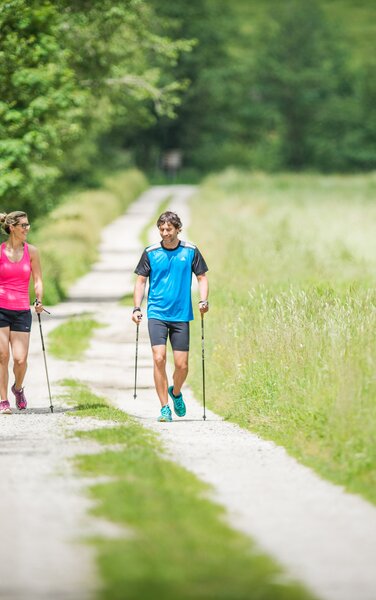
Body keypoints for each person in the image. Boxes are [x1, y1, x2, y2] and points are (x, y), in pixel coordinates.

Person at [132, 211, 209, 422]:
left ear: (178, 229)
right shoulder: (151, 252)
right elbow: (140, 282)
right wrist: (137, 308)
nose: (165, 233)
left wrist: (203, 300)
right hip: (157, 313)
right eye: (162, 229)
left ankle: (176, 392)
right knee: (159, 358)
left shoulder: (190, 251)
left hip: (182, 314)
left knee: (182, 366)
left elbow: (202, 278)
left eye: (169, 229)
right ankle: (164, 407)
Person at [0, 211, 45, 415]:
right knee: (2, 355)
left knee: (20, 359)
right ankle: (3, 400)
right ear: (12, 228)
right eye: (23, 225)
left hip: (21, 310)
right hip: (1, 308)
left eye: (28, 224)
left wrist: (39, 299)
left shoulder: (32, 251)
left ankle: (17, 389)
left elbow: (37, 280)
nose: (27, 228)